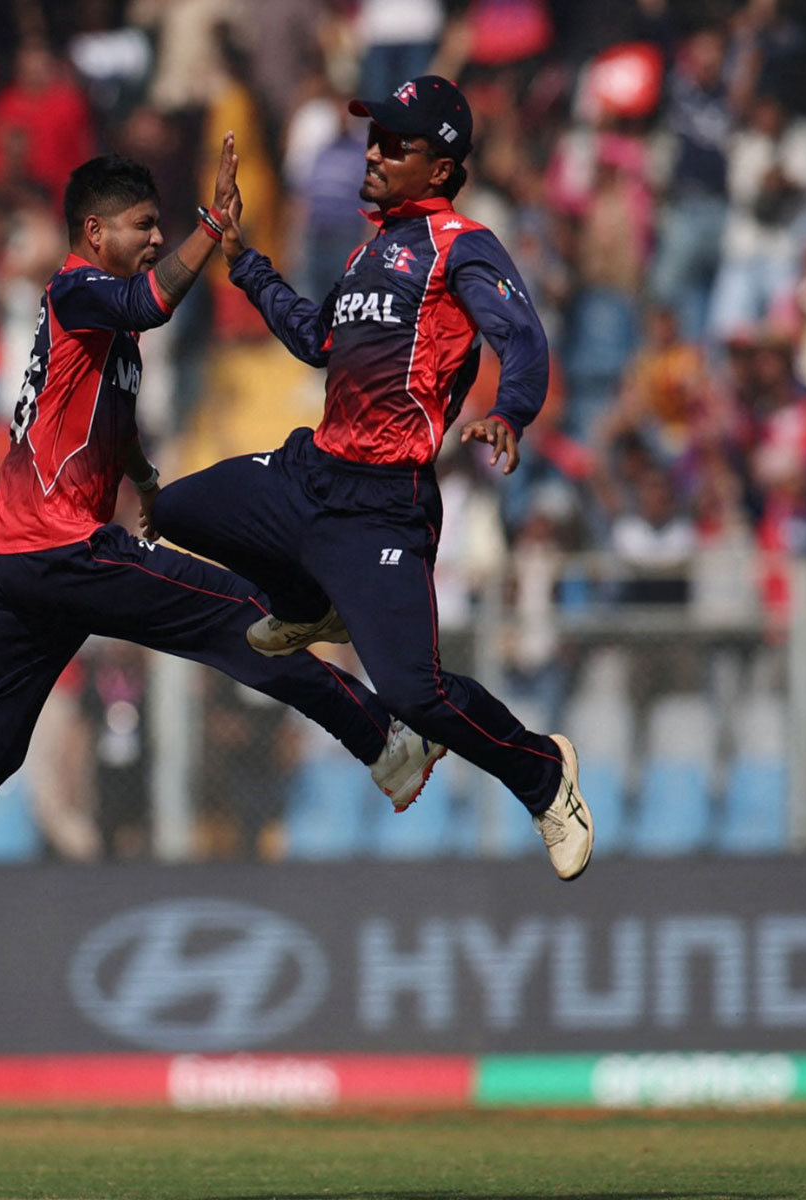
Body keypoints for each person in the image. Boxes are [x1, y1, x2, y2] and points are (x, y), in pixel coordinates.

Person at [0, 141, 442, 1021]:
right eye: (143, 225)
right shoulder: (79, 290)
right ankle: (383, 746)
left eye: (162, 225)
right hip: (57, 550)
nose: (157, 239)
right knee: (241, 611)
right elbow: (152, 303)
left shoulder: (109, 336)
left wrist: (149, 485)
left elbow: (108, 428)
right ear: (94, 231)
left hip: (17, 558)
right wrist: (211, 229)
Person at [150, 76, 593, 882]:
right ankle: (307, 603)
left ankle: (544, 776)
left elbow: (520, 337)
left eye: (398, 142)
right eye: (374, 135)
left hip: (382, 508)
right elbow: (321, 338)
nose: (377, 151)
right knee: (173, 507)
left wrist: (514, 413)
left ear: (443, 166)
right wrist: (245, 264)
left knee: (414, 697)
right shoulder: (367, 251)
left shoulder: (463, 244)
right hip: (311, 474)